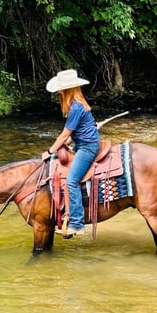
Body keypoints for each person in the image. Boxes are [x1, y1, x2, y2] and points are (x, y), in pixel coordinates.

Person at [41, 69, 100, 238]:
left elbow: (65, 134)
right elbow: (73, 133)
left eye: (61, 88)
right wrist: (69, 141)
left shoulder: (75, 107)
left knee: (72, 181)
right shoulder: (78, 104)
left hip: (87, 146)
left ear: (68, 89)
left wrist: (49, 151)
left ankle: (77, 223)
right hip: (84, 142)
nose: (59, 91)